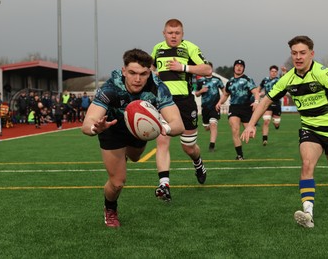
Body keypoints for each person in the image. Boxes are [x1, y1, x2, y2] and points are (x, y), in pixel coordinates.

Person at [241, 35, 328, 228]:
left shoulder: (322, 73)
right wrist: (252, 124)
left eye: (302, 53)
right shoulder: (287, 79)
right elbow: (266, 101)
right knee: (306, 164)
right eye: (294, 53)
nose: (298, 57)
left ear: (311, 54)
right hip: (309, 130)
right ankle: (308, 214)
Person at [82, 48, 184, 228]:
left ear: (150, 72)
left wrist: (163, 127)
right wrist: (95, 127)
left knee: (136, 157)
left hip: (139, 129)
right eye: (132, 73)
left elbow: (178, 124)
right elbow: (87, 123)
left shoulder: (158, 87)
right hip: (111, 129)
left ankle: (124, 156)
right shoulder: (111, 88)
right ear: (124, 71)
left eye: (143, 74)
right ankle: (110, 209)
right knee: (118, 182)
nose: (138, 79)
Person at [151, 18, 212, 200]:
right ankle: (164, 185)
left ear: (182, 34)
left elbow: (207, 69)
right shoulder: (157, 49)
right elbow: (152, 67)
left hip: (185, 102)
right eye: (170, 32)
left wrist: (183, 67)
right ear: (164, 33)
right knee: (162, 140)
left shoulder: (189, 48)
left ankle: (198, 163)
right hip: (164, 101)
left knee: (188, 147)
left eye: (177, 33)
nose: (173, 36)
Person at [216, 59, 260, 160]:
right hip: (234, 108)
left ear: (243, 68)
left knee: (251, 134)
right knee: (235, 130)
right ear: (234, 67)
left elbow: (256, 92)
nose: (239, 67)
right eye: (237, 65)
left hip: (246, 108)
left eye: (241, 66)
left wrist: (256, 102)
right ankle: (239, 155)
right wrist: (219, 102)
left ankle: (253, 126)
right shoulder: (230, 82)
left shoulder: (247, 79)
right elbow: (226, 94)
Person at [194, 62, 224, 152]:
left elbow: (225, 92)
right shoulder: (200, 81)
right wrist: (201, 91)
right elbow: (196, 94)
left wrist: (220, 102)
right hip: (205, 108)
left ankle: (212, 145)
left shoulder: (217, 80)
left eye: (209, 68)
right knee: (207, 127)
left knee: (213, 124)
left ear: (212, 69)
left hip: (215, 107)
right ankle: (209, 128)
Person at [258, 65, 281, 146]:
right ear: (269, 72)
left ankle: (277, 125)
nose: (273, 73)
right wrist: (258, 95)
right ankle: (265, 139)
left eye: (275, 72)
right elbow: (259, 88)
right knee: (266, 121)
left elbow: (286, 80)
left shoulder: (279, 80)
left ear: (277, 73)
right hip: (267, 103)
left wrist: (284, 72)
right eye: (272, 71)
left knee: (276, 123)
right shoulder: (265, 80)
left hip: (276, 103)